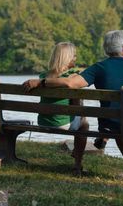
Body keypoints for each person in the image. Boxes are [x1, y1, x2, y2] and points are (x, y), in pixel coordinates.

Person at [23, 30, 123, 167]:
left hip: (109, 126)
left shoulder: (98, 68)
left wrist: (41, 82)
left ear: (106, 50)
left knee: (115, 124)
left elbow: (70, 83)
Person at [37, 42, 89, 176]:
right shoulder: (72, 77)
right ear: (67, 58)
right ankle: (78, 164)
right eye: (74, 56)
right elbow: (77, 107)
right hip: (62, 124)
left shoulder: (43, 76)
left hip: (43, 122)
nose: (76, 59)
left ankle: (76, 152)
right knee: (84, 125)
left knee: (80, 119)